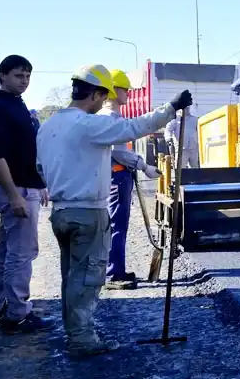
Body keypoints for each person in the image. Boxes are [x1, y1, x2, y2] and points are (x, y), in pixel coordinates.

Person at [36, 64, 191, 357]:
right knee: (88, 278)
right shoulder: (87, 125)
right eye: (102, 96)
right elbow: (133, 128)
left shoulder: (49, 126)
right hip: (87, 212)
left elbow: (40, 168)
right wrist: (171, 108)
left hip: (60, 212)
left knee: (71, 276)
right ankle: (81, 339)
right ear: (95, 94)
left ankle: (74, 332)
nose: (103, 102)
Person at [0, 55, 51, 333]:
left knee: (4, 252)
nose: (24, 81)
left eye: (28, 76)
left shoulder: (15, 105)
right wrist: (15, 195)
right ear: (3, 75)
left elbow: (25, 152)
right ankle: (17, 314)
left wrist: (38, 183)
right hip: (14, 190)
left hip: (24, 186)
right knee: (21, 254)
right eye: (19, 75)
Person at [98, 69, 161, 290]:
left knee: (118, 224)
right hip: (116, 176)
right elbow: (119, 153)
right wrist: (144, 165)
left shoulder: (113, 117)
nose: (128, 94)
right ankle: (114, 274)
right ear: (114, 90)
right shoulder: (108, 119)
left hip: (119, 176)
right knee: (116, 224)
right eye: (125, 89)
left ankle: (117, 269)